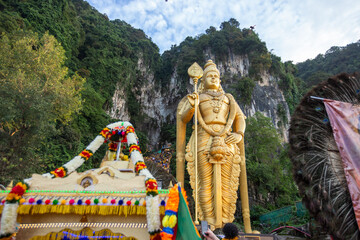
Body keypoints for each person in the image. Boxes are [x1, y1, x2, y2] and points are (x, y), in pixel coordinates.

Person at [176, 60, 253, 232]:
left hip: (227, 139)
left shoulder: (228, 99)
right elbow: (183, 118)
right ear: (202, 81)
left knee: (227, 182)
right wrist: (192, 104)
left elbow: (240, 118)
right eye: (209, 76)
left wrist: (239, 133)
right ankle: (208, 220)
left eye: (216, 76)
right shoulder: (199, 96)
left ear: (220, 80)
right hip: (204, 137)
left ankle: (226, 220)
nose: (213, 78)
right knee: (205, 181)